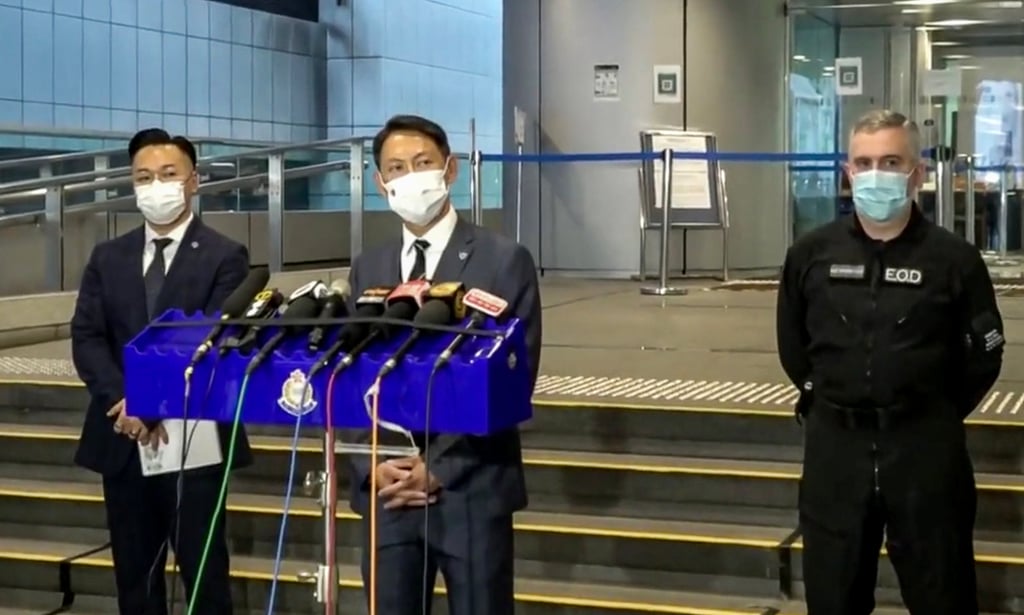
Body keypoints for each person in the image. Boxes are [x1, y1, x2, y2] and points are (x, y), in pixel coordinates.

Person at [776, 109, 1003, 615]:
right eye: (864, 162)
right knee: (833, 596)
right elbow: (794, 347)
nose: (875, 173)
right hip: (836, 450)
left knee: (942, 594)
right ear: (848, 172)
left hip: (924, 451)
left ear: (916, 174)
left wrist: (934, 410)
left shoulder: (955, 260)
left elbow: (985, 353)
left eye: (890, 161)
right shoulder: (810, 254)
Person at [346, 114, 542, 615]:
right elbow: (349, 376)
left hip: (470, 488)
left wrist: (438, 466)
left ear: (450, 170)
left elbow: (513, 379)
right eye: (396, 167)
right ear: (380, 182)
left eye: (422, 163)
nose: (410, 177)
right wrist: (368, 464)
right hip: (387, 492)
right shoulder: (369, 266)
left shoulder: (503, 260)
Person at [71, 129, 252, 615]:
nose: (156, 186)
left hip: (193, 438)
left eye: (168, 175)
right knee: (134, 578)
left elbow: (215, 342)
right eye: (144, 177)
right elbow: (87, 337)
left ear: (193, 181)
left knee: (204, 576)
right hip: (123, 438)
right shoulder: (108, 257)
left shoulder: (225, 256)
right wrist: (123, 401)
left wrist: (152, 403)